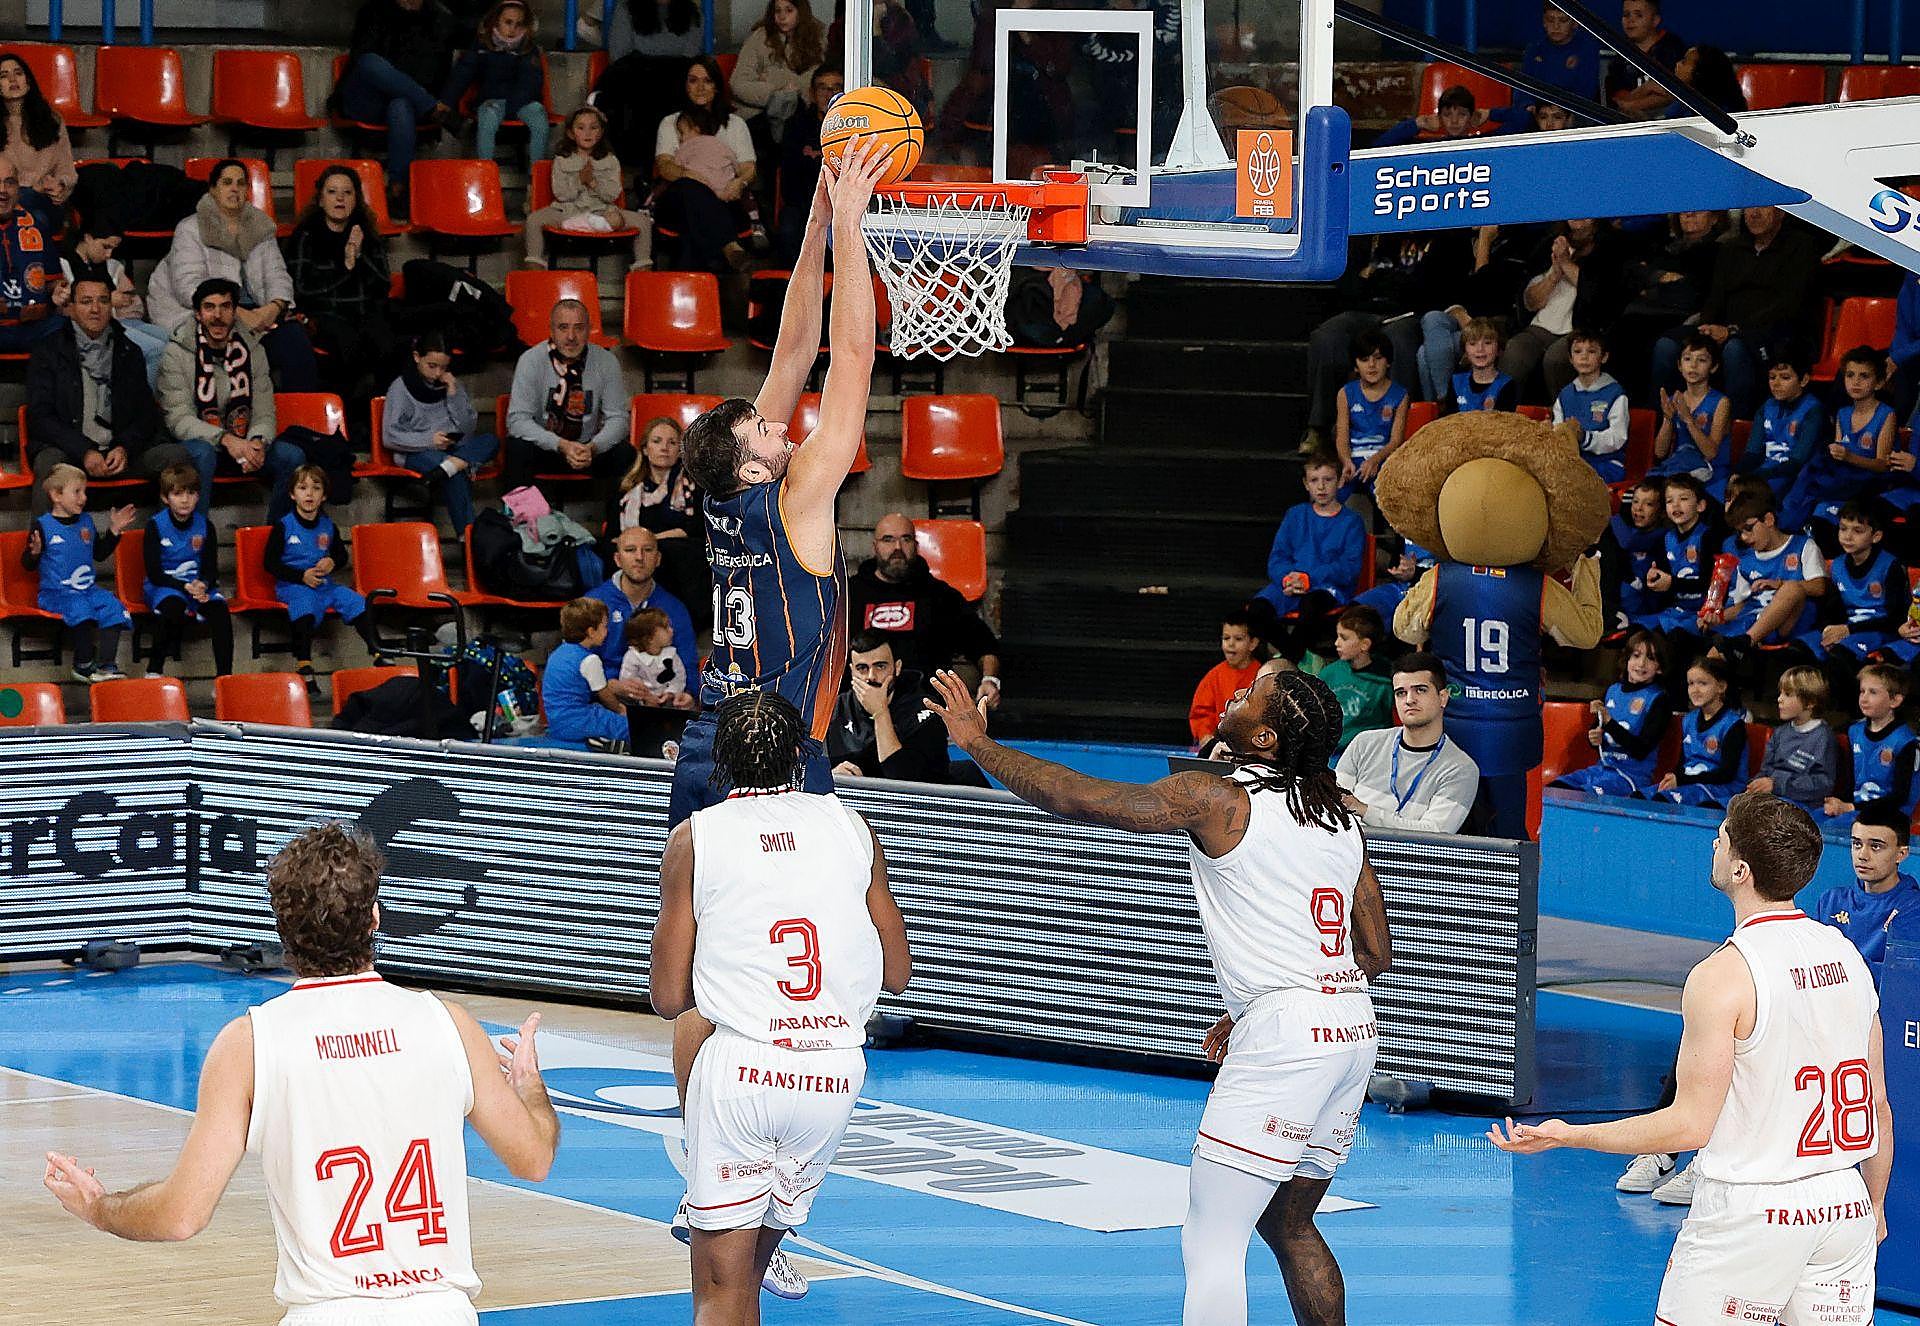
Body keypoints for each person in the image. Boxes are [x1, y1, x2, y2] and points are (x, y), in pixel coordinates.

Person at [924, 665, 1391, 1326]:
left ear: (1261, 738)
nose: (1235, 690)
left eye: (1250, 693)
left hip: (1290, 1035)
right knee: (1289, 1227)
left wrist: (978, 742)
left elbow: (1081, 799)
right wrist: (1263, 1000)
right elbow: (1375, 954)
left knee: (1212, 1239)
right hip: (1350, 1029)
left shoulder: (1218, 797)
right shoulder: (1336, 818)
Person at [43, 822, 561, 1322]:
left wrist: (100, 1207)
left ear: (282, 927)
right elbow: (534, 1160)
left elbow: (181, 1215)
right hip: (441, 1312)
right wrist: (530, 1091)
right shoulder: (450, 1026)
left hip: (326, 1313)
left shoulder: (249, 1044)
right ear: (375, 917)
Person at [1491, 792, 1892, 1326]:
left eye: (1721, 838)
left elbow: (1689, 1126)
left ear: (1741, 869)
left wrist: (1571, 1135)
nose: (1713, 844)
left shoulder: (1722, 975)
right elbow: (1880, 1106)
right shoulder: (1848, 955)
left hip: (1754, 1210)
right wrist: (1874, 1205)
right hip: (1844, 1203)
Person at [650, 690, 911, 1319]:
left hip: (744, 1074)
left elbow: (667, 999)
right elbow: (898, 975)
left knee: (720, 1297)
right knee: (749, 1286)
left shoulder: (695, 836)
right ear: (802, 754)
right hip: (833, 1079)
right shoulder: (850, 823)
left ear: (718, 764)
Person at [668, 141, 888, 829]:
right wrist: (850, 226)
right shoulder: (798, 498)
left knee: (692, 911)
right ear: (756, 469)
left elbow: (793, 351)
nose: (781, 425)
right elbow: (851, 357)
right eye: (766, 429)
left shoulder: (717, 495)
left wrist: (815, 225)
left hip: (709, 739)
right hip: (776, 749)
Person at [149, 159, 319, 392]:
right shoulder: (190, 228)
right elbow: (189, 288)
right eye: (227, 182)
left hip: (257, 314)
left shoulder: (261, 226)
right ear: (213, 189)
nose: (234, 189)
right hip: (206, 313)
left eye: (241, 183)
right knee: (235, 346)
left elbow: (277, 274)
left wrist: (273, 307)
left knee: (295, 341)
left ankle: (299, 418)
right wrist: (240, 314)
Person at [1650, 206, 1825, 419]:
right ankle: (1666, 427)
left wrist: (1734, 330)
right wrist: (1706, 327)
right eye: (1749, 207)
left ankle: (1733, 433)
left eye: (1763, 207)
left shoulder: (1802, 246)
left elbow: (1790, 304)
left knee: (1735, 349)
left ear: (1781, 212)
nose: (1754, 213)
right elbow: (1716, 297)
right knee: (1666, 345)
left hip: (1777, 331)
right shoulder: (1732, 248)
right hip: (1725, 329)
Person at [158, 278, 307, 515]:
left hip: (243, 440)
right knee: (203, 454)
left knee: (292, 456)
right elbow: (179, 420)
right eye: (209, 307)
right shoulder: (177, 352)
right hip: (202, 443)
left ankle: (280, 538)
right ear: (198, 314)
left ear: (234, 312)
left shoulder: (253, 350)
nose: (217, 315)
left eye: (225, 307)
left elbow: (264, 410)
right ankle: (195, 538)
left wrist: (257, 442)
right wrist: (225, 439)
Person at [24, 276, 168, 515]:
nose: (95, 309)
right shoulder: (48, 351)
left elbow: (146, 414)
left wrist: (124, 447)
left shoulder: (128, 350)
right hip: (70, 451)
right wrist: (84, 451)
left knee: (175, 457)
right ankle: (44, 547)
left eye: (103, 301)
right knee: (49, 463)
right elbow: (40, 417)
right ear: (70, 308)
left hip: (119, 453)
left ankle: (171, 546)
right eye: (86, 301)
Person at [845, 513, 1003, 690]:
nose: (898, 547)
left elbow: (984, 642)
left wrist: (990, 680)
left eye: (906, 539)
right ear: (875, 546)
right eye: (888, 539)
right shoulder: (849, 595)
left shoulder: (939, 595)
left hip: (925, 704)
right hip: (858, 704)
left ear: (916, 545)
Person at [283, 165, 398, 406]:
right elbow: (302, 288)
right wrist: (345, 265)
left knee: (389, 346)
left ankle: (378, 416)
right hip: (324, 314)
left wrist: (358, 254)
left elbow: (382, 283)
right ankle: (348, 415)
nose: (340, 198)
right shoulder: (305, 236)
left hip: (364, 312)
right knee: (347, 346)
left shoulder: (365, 234)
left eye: (347, 193)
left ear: (356, 199)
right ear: (321, 200)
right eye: (332, 192)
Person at [339, 0, 463, 217]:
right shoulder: (373, 11)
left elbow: (437, 75)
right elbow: (362, 64)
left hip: (408, 103)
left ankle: (398, 189)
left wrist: (405, 88)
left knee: (401, 105)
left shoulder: (440, 19)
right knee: (371, 62)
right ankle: (435, 109)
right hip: (366, 99)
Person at [267, 465, 385, 693]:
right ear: (293, 494)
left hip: (325, 585)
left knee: (357, 601)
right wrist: (301, 576)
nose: (309, 494)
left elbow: (340, 555)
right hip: (293, 585)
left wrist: (332, 561)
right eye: (302, 488)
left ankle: (379, 652)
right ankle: (305, 666)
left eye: (316, 488)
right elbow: (270, 563)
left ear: (324, 496)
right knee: (305, 606)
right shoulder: (283, 526)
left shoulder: (328, 526)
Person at [1336, 651, 1481, 833]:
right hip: (1349, 853)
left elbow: (1434, 834)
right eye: (1401, 693)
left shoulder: (1461, 769)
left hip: (1411, 859)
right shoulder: (1364, 743)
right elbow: (1333, 807)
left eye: (1420, 690)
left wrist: (1365, 810)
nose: (1409, 700)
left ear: (1442, 698)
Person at [502, 297, 634, 496]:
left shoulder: (606, 361)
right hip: (547, 447)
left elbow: (618, 419)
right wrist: (561, 445)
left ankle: (619, 525)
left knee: (626, 455)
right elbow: (517, 420)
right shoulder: (530, 360)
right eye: (563, 328)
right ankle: (521, 524)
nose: (571, 336)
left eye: (579, 328)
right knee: (516, 448)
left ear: (589, 330)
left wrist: (593, 447)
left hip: (588, 448)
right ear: (551, 330)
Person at [379, 330, 500, 535]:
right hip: (418, 451)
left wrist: (453, 393)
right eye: (431, 366)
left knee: (491, 440)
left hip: (454, 447)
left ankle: (451, 465)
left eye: (443, 367)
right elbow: (390, 436)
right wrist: (430, 441)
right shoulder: (400, 388)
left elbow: (468, 428)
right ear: (417, 357)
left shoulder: (451, 384)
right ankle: (468, 536)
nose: (437, 374)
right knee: (455, 473)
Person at [22, 462, 133, 682]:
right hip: (56, 593)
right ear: (56, 495)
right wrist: (33, 553)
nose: (83, 498)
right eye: (77, 492)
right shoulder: (42, 525)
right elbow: (27, 564)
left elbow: (99, 553)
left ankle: (106, 666)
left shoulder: (86, 521)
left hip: (87, 590)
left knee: (113, 606)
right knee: (80, 607)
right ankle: (82, 666)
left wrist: (113, 531)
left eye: (84, 492)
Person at [1251, 454, 1366, 657]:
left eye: (1327, 480)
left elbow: (1349, 567)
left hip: (1328, 587)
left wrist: (1309, 578)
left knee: (1311, 605)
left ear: (1340, 481)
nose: (1321, 487)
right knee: (1257, 610)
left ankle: (1289, 661)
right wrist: (1287, 578)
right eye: (1314, 480)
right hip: (1290, 584)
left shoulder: (1351, 521)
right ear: (1306, 484)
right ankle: (1294, 656)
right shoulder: (1295, 514)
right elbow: (1277, 557)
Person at [1500, 220, 1626, 403]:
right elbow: (1529, 302)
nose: (1578, 222)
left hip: (1579, 330)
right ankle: (1503, 419)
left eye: (1585, 217)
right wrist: (1554, 275)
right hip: (1538, 327)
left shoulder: (1608, 250)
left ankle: (1563, 420)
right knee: (1515, 351)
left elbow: (1598, 297)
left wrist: (1566, 264)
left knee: (1556, 358)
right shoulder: (1548, 246)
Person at [652, 58, 758, 273]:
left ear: (717, 86)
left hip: (725, 197)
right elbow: (665, 166)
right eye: (693, 81)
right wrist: (690, 175)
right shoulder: (671, 123)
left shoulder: (735, 124)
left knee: (691, 232)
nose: (700, 87)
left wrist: (739, 182)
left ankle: (688, 290)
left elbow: (748, 167)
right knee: (690, 188)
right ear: (685, 85)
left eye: (707, 81)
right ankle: (729, 245)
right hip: (678, 200)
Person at [1783, 347, 1897, 537]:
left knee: (1820, 492)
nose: (1856, 382)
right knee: (1809, 473)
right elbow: (1838, 456)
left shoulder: (1886, 414)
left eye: (1864, 376)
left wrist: (1849, 457)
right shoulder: (1842, 413)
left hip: (1870, 481)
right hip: (1844, 477)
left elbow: (1883, 465)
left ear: (1879, 383)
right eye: (1850, 375)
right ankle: (1791, 529)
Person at [525, 105, 652, 271]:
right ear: (571, 133)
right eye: (581, 128)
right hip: (568, 211)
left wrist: (593, 183)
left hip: (602, 212)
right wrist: (579, 181)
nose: (588, 133)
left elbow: (612, 194)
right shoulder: (562, 160)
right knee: (534, 219)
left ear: (600, 133)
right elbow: (561, 194)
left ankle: (642, 272)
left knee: (642, 221)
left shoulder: (610, 160)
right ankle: (535, 268)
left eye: (593, 128)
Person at [1703, 486, 1824, 659]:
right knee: (1711, 659)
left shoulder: (1803, 546)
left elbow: (1820, 587)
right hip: (1752, 620)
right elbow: (1741, 606)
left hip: (1788, 622)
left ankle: (1747, 641)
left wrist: (1780, 584)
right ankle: (1744, 643)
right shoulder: (1745, 561)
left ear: (1768, 519)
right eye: (1739, 532)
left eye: (1748, 528)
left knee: (1792, 589)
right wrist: (1717, 617)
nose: (1744, 537)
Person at [608, 414, 708, 622]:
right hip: (638, 545)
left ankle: (682, 620)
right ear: (645, 449)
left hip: (681, 551)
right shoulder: (626, 489)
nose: (665, 448)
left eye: (672, 443)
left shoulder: (695, 485)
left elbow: (696, 526)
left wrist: (652, 540)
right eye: (657, 441)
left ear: (680, 451)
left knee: (673, 551)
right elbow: (614, 532)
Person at [587, 525, 698, 707]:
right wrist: (609, 684)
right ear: (617, 559)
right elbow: (577, 661)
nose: (639, 557)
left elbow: (688, 663)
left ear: (658, 559)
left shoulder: (675, 608)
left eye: (647, 550)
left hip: (661, 703)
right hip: (603, 700)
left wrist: (688, 695)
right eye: (630, 550)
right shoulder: (593, 603)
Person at [1556, 628, 1672, 797]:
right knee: (1555, 788)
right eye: (1636, 655)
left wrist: (1609, 723)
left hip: (1630, 777)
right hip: (1600, 770)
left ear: (1659, 668)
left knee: (1583, 796)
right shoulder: (1612, 690)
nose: (1641, 664)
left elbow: (1641, 750)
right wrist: (1594, 737)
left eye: (1650, 658)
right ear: (1626, 659)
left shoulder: (1659, 700)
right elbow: (1600, 733)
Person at [54, 211, 168, 384]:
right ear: (88, 238)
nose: (108, 254)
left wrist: (124, 299)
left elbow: (131, 300)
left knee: (167, 338)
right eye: (105, 247)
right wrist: (106, 300)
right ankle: (138, 402)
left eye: (113, 249)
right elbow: (66, 307)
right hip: (90, 326)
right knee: (156, 349)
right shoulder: (64, 264)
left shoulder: (106, 265)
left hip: (118, 319)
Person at [144, 462, 234, 680]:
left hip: (196, 586)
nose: (185, 500)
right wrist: (183, 586)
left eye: (191, 493)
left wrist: (204, 584)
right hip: (165, 586)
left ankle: (224, 679)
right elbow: (154, 572)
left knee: (220, 611)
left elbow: (211, 570)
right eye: (177, 494)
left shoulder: (206, 526)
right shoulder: (155, 526)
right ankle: (154, 671)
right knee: (172, 608)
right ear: (166, 498)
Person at [1815, 803, 1920, 987]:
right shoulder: (1830, 901)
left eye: (1876, 847)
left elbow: (1900, 980)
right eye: (1857, 844)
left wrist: (1834, 968)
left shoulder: (1913, 909)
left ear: (1901, 854)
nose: (1862, 855)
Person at [828, 630, 953, 782]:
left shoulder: (926, 708)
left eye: (880, 666)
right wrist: (831, 775)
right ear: (852, 671)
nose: (871, 677)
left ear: (897, 667)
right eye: (862, 668)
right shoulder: (835, 709)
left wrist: (880, 713)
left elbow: (904, 781)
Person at [1802, 504, 1907, 676]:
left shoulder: (1891, 566)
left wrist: (1847, 631)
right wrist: (1828, 629)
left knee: (1839, 658)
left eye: (1857, 531)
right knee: (1800, 650)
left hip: (1878, 631)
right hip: (1847, 627)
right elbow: (1831, 608)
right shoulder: (1837, 565)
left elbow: (1896, 619)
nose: (1848, 537)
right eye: (1843, 529)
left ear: (1876, 536)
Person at [731, 0, 826, 189]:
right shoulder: (760, 37)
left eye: (789, 10)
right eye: (777, 11)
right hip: (759, 114)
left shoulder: (817, 37)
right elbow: (738, 83)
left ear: (801, 12)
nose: (782, 17)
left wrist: (774, 77)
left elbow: (818, 80)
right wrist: (776, 88)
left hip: (801, 112)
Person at [442, 0, 548, 165]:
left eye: (518, 24)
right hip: (491, 100)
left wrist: (511, 107)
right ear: (496, 22)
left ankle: (535, 176)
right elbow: (463, 72)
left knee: (539, 116)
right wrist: (447, 101)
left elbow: (531, 83)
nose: (512, 29)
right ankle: (485, 170)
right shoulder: (482, 46)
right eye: (508, 22)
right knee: (488, 117)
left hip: (521, 102)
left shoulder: (529, 50)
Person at [1646, 655, 1748, 808]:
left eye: (1703, 683)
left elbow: (1726, 774)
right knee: (1641, 796)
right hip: (1690, 784)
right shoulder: (1688, 720)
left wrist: (1681, 780)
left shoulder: (1734, 725)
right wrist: (1674, 776)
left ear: (1721, 687)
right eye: (1691, 684)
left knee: (1663, 801)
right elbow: (1683, 763)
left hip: (1721, 789)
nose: (1695, 690)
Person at [1824, 664, 1919, 825]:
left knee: (1833, 827)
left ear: (1895, 700)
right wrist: (1839, 803)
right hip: (1856, 808)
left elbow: (1899, 797)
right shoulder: (1854, 731)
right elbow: (1851, 781)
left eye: (1873, 692)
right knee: (1817, 818)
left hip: (1890, 814)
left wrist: (1849, 807)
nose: (1864, 698)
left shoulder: (1905, 741)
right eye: (1862, 691)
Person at [544, 596, 636, 750]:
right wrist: (621, 710)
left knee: (598, 710)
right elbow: (605, 695)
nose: (607, 632)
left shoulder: (558, 653)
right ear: (591, 631)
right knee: (628, 727)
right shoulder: (589, 660)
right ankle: (599, 742)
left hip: (556, 723)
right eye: (605, 627)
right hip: (577, 721)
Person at [1748, 665, 1841, 816]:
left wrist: (1777, 785)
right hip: (1773, 798)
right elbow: (1766, 770)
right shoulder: (1779, 733)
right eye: (1780, 693)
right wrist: (1757, 785)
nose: (1779, 699)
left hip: (1803, 805)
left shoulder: (1823, 737)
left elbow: (1823, 784)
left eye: (1788, 694)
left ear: (1810, 702)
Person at [1649, 333, 1733, 498]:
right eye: (1687, 359)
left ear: (1714, 366)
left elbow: (1711, 453)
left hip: (1711, 472)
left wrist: (1689, 420)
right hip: (1679, 466)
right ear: (1680, 365)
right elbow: (1659, 452)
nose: (1693, 365)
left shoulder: (1721, 402)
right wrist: (1667, 418)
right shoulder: (1675, 399)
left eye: (1701, 360)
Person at [1734, 348, 1824, 501]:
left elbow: (1797, 462)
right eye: (1772, 377)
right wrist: (1737, 475)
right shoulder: (1766, 408)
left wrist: (1755, 479)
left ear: (1804, 380)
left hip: (1797, 478)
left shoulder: (1813, 411)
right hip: (1765, 472)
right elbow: (1752, 452)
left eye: (1785, 377)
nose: (1776, 383)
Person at [774, 67, 841, 265]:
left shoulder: (854, 127)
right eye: (823, 88)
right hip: (803, 203)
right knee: (789, 226)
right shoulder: (796, 126)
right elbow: (789, 178)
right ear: (812, 93)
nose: (829, 94)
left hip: (841, 205)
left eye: (836, 88)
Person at [0, 53, 75, 229]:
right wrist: (32, 187)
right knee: (35, 218)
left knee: (36, 212)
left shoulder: (52, 120)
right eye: (4, 76)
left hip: (44, 199)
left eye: (18, 73)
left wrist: (60, 184)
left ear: (28, 81)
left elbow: (67, 169)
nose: (12, 79)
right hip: (6, 198)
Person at [1333, 329, 1410, 494]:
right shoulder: (1345, 393)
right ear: (1355, 365)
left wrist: (1375, 460)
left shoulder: (1400, 395)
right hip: (1352, 460)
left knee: (1384, 497)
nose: (1371, 365)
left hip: (1384, 459)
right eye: (1364, 359)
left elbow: (1396, 440)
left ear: (1388, 361)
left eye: (1378, 358)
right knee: (1334, 493)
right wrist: (1346, 462)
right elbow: (1342, 438)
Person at [1647, 474, 1719, 647]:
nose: (1676, 505)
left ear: (1700, 506)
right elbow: (1664, 584)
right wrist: (1653, 580)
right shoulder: (1664, 540)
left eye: (1684, 499)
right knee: (1639, 634)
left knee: (1676, 639)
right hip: (1674, 613)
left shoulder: (1709, 537)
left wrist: (1672, 583)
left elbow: (1710, 583)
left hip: (1701, 614)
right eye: (1670, 501)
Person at [1311, 605, 1395, 753]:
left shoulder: (1386, 680)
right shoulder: (1329, 674)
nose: (1336, 643)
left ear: (1364, 644)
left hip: (1370, 756)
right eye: (1337, 636)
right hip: (1331, 755)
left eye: (1344, 638)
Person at [0, 153, 61, 354]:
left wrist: (61, 293)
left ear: (18, 188)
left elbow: (53, 283)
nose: (2, 191)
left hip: (35, 327)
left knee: (77, 323)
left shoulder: (35, 223)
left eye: (9, 183)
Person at [1552, 328, 1630, 484]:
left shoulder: (1615, 393)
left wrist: (1584, 437)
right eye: (1578, 351)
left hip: (1607, 463)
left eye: (1592, 351)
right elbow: (1559, 432)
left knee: (1575, 479)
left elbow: (1617, 438)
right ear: (1570, 358)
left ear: (1604, 357)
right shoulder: (1565, 395)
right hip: (1573, 462)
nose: (1584, 357)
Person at [1190, 608, 1266, 748]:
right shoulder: (1214, 676)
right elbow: (1201, 713)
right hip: (1217, 745)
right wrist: (1205, 737)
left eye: (1238, 639)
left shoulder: (1263, 675)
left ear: (1253, 643)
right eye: (1226, 638)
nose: (1231, 644)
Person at [1600, 478, 1667, 635]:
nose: (1638, 508)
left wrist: (1614, 511)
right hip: (1621, 604)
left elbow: (1628, 542)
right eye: (1635, 502)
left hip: (1642, 612)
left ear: (1662, 511)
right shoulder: (1629, 531)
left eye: (1648, 504)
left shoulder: (1662, 536)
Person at [1603, 0, 1687, 120]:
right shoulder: (1619, 57)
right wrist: (1647, 88)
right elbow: (1619, 100)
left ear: (1655, 20)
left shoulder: (1673, 48)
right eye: (1626, 15)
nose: (1630, 20)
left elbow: (1676, 95)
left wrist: (1632, 104)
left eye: (1638, 15)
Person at [1440, 318, 1517, 415]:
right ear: (1465, 351)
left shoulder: (1507, 385)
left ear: (1499, 349)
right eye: (1473, 344)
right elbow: (1446, 422)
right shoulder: (1456, 382)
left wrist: (1491, 413)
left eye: (1487, 343)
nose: (1480, 349)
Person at [620, 606, 686, 697]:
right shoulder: (633, 657)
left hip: (667, 699)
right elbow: (628, 683)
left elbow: (679, 678)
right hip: (641, 701)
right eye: (666, 627)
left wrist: (670, 693)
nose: (671, 630)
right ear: (649, 638)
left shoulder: (671, 654)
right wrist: (645, 697)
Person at [1666, 44, 1746, 118]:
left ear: (1700, 72)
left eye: (1684, 62)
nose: (1678, 64)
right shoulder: (1682, 103)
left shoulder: (1721, 114)